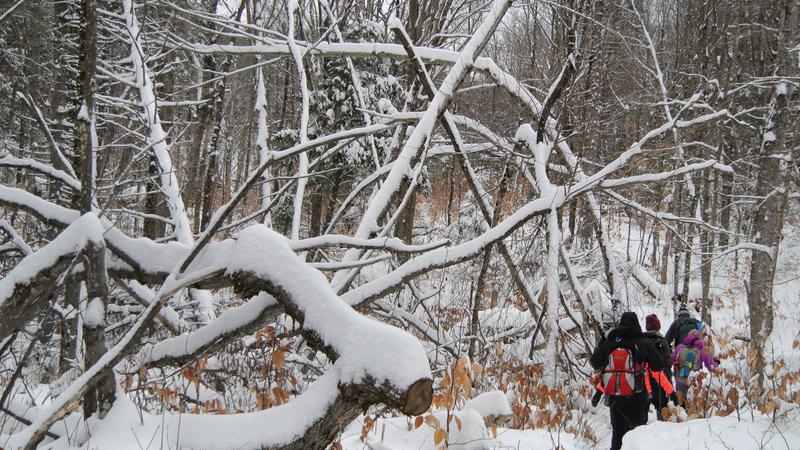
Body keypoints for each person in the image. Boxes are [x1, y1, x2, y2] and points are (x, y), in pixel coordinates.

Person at [591, 312, 665, 450]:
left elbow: (595, 362)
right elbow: (659, 365)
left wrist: (602, 346)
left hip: (615, 395)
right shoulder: (642, 341)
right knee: (638, 434)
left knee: (617, 434)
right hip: (637, 394)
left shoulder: (612, 341)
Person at [642, 314, 679, 420]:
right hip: (661, 380)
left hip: (644, 381)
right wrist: (669, 385)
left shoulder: (642, 341)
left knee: (643, 410)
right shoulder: (662, 341)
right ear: (658, 327)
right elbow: (668, 363)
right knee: (662, 407)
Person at [671, 329, 719, 407]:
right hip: (695, 382)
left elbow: (671, 359)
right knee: (694, 407)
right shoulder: (701, 349)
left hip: (680, 381)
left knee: (681, 405)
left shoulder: (680, 347)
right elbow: (710, 365)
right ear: (699, 338)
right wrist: (717, 364)